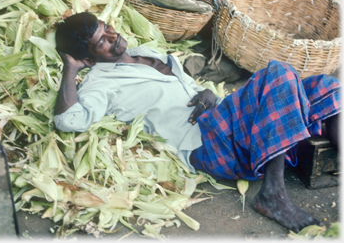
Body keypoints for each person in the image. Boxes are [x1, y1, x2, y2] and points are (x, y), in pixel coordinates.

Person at [54, 12, 341, 233]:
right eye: (102, 41)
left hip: (220, 120)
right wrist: (70, 68)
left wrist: (206, 94)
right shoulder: (100, 82)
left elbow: (188, 90)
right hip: (204, 142)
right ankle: (273, 194)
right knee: (279, 74)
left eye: (107, 28)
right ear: (87, 59)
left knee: (327, 86)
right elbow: (68, 120)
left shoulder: (147, 53)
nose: (113, 36)